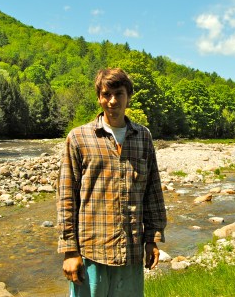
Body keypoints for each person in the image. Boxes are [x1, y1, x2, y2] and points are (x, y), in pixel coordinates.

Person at [57, 67, 167, 296]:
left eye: (119, 93)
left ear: (128, 96)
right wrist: (69, 250)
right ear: (99, 97)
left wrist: (152, 239)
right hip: (91, 252)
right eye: (106, 94)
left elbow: (153, 192)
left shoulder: (143, 136)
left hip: (132, 251)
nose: (112, 100)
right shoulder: (78, 138)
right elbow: (67, 196)